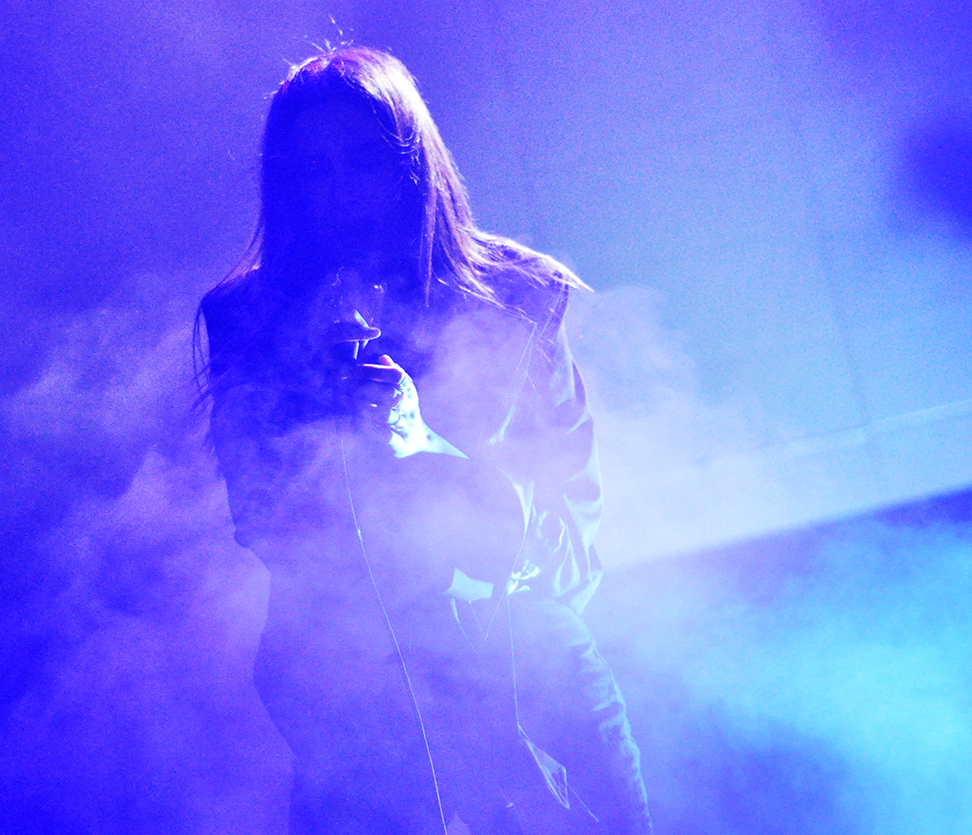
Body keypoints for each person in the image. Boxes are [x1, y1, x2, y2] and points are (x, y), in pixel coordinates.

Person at [197, 46, 652, 835]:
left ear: (412, 160)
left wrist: (423, 448)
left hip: (530, 692)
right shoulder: (248, 319)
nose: (340, 194)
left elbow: (569, 545)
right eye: (314, 172)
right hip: (352, 705)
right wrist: (317, 425)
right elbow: (261, 519)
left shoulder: (517, 296)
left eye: (363, 161)